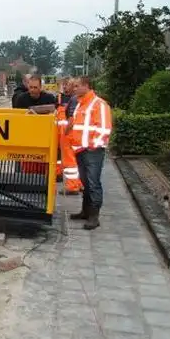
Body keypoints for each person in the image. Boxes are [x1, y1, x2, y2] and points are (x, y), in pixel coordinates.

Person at [66, 76, 112, 230]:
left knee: (93, 183)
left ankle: (94, 216)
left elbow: (104, 128)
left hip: (92, 151)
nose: (74, 89)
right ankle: (85, 212)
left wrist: (93, 146)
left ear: (86, 86)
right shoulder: (81, 104)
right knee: (85, 183)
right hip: (81, 150)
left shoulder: (99, 104)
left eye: (77, 86)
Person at [55, 78, 82, 195]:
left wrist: (66, 133)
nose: (68, 87)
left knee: (70, 162)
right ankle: (79, 183)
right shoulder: (77, 99)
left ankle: (72, 186)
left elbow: (70, 119)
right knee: (78, 161)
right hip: (73, 135)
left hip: (69, 135)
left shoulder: (73, 100)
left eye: (74, 85)